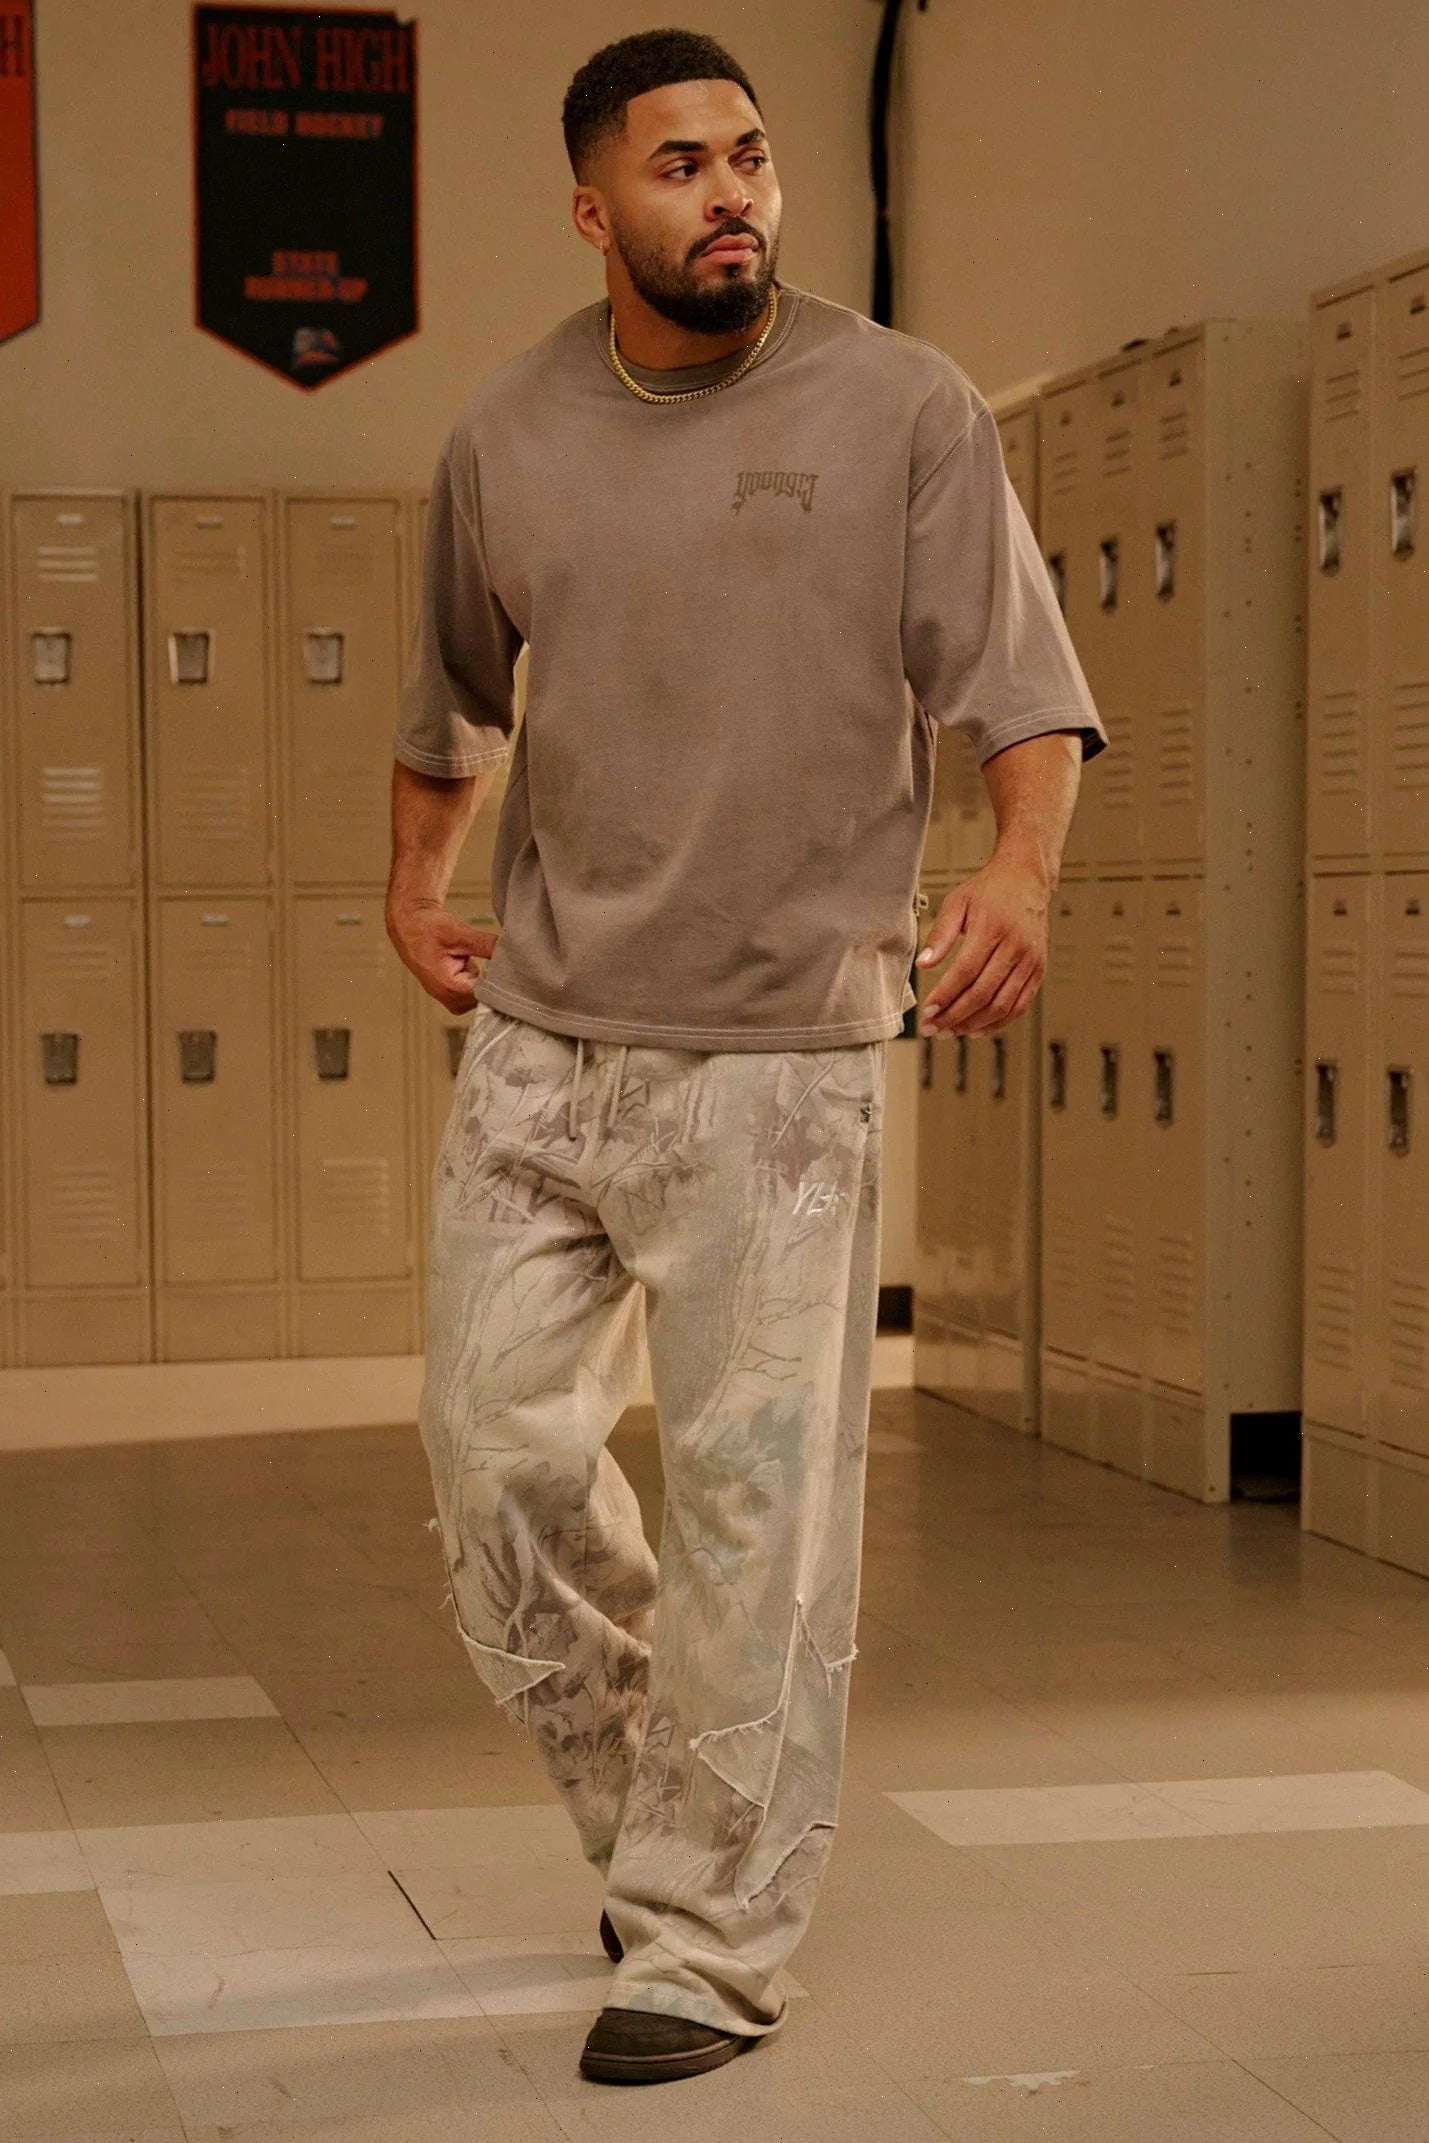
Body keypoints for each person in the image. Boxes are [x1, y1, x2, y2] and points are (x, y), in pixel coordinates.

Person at [385, 25, 1106, 2090]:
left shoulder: (900, 407)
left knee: (753, 1512)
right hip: (542, 1034)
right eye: (682, 165)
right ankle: (660, 1819)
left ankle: (709, 1940)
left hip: (780, 1053)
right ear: (591, 205)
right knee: (493, 1460)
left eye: (753, 159)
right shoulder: (508, 429)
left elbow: (1017, 688)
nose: (732, 197)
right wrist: (411, 883)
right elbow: (450, 698)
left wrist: (1021, 874)